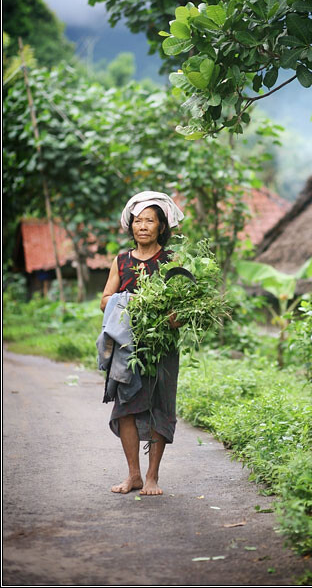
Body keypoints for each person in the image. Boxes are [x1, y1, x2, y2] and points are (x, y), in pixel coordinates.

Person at [100, 191, 184, 496]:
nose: (143, 226)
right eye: (138, 221)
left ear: (161, 226)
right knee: (126, 408)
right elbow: (105, 300)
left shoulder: (172, 261)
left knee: (160, 406)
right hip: (127, 348)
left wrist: (171, 314)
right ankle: (133, 475)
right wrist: (130, 301)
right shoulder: (122, 261)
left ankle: (152, 477)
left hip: (161, 348)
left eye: (150, 220)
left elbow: (182, 308)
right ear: (131, 226)